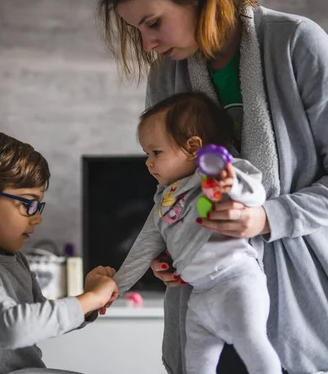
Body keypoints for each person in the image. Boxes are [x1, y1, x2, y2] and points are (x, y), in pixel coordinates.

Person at [97, 0, 328, 373]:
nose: (148, 45)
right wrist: (169, 249)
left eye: (153, 22)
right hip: (208, 301)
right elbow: (173, 190)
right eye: (137, 30)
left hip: (300, 300)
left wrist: (265, 218)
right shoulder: (167, 75)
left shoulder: (296, 42)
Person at [107, 92, 281, 374]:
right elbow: (143, 248)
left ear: (193, 147)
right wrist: (116, 288)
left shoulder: (218, 174)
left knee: (253, 343)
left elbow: (256, 192)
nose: (148, 162)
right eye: (147, 155)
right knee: (196, 363)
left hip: (237, 282)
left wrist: (230, 183)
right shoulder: (164, 200)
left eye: (156, 152)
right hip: (200, 295)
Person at [0, 131, 118, 374]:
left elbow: (39, 319)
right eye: (28, 204)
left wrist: (88, 303)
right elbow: (14, 327)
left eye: (38, 205)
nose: (38, 218)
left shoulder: (13, 259)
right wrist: (91, 298)